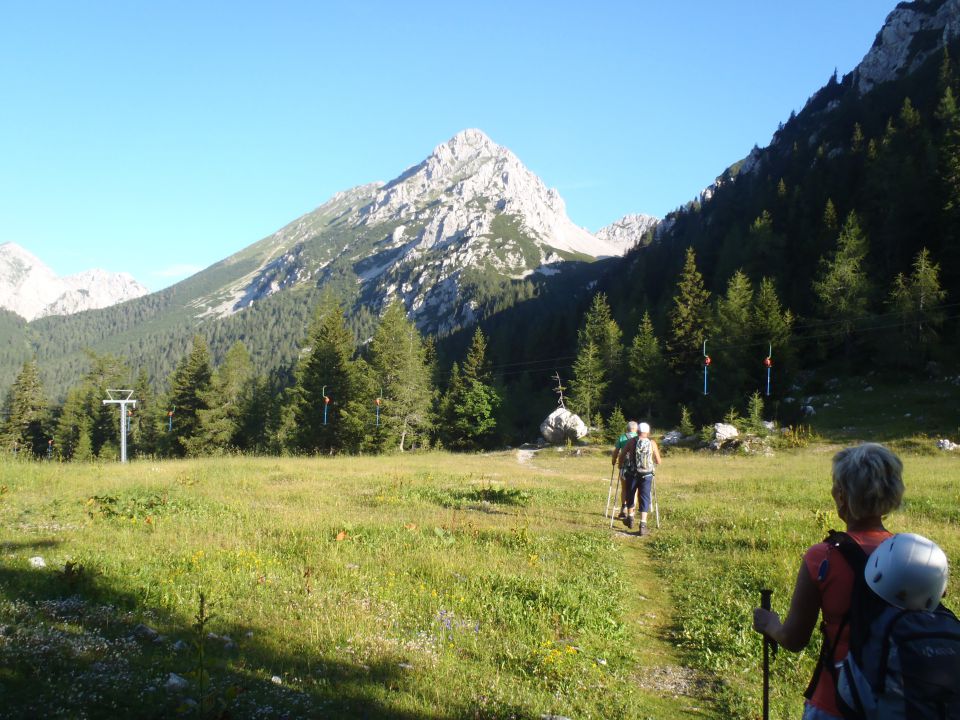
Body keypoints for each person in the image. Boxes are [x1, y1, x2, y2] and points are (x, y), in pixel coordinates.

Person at [752, 443, 905, 720]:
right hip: (902, 702)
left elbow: (794, 639)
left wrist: (769, 624)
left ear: (842, 496)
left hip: (836, 702)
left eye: (836, 486)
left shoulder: (823, 558)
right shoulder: (910, 556)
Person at [618, 422, 661, 535]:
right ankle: (642, 525)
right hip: (647, 475)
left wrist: (619, 464)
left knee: (630, 494)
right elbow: (658, 460)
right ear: (648, 432)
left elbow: (622, 455)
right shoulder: (652, 443)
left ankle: (630, 518)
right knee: (644, 497)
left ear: (638, 431)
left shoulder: (631, 442)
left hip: (632, 473)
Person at [611, 420, 638, 519]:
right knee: (634, 489)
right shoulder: (638, 438)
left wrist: (614, 460)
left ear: (628, 428)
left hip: (624, 466)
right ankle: (632, 511)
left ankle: (624, 509)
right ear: (636, 429)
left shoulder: (622, 437)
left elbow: (616, 451)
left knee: (624, 488)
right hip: (636, 468)